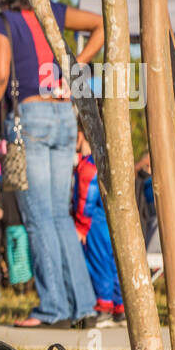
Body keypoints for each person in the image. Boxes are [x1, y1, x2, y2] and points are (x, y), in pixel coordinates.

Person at [0, 0, 103, 329]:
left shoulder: (2, 21)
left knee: (37, 217)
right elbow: (101, 25)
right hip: (64, 113)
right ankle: (83, 305)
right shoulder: (53, 14)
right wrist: (75, 64)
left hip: (30, 117)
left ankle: (52, 309)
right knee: (58, 215)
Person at [73, 129, 124, 327]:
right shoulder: (104, 162)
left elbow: (86, 199)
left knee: (98, 262)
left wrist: (81, 226)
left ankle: (103, 307)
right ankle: (119, 306)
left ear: (80, 136)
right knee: (113, 264)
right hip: (108, 221)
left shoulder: (89, 166)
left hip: (94, 222)